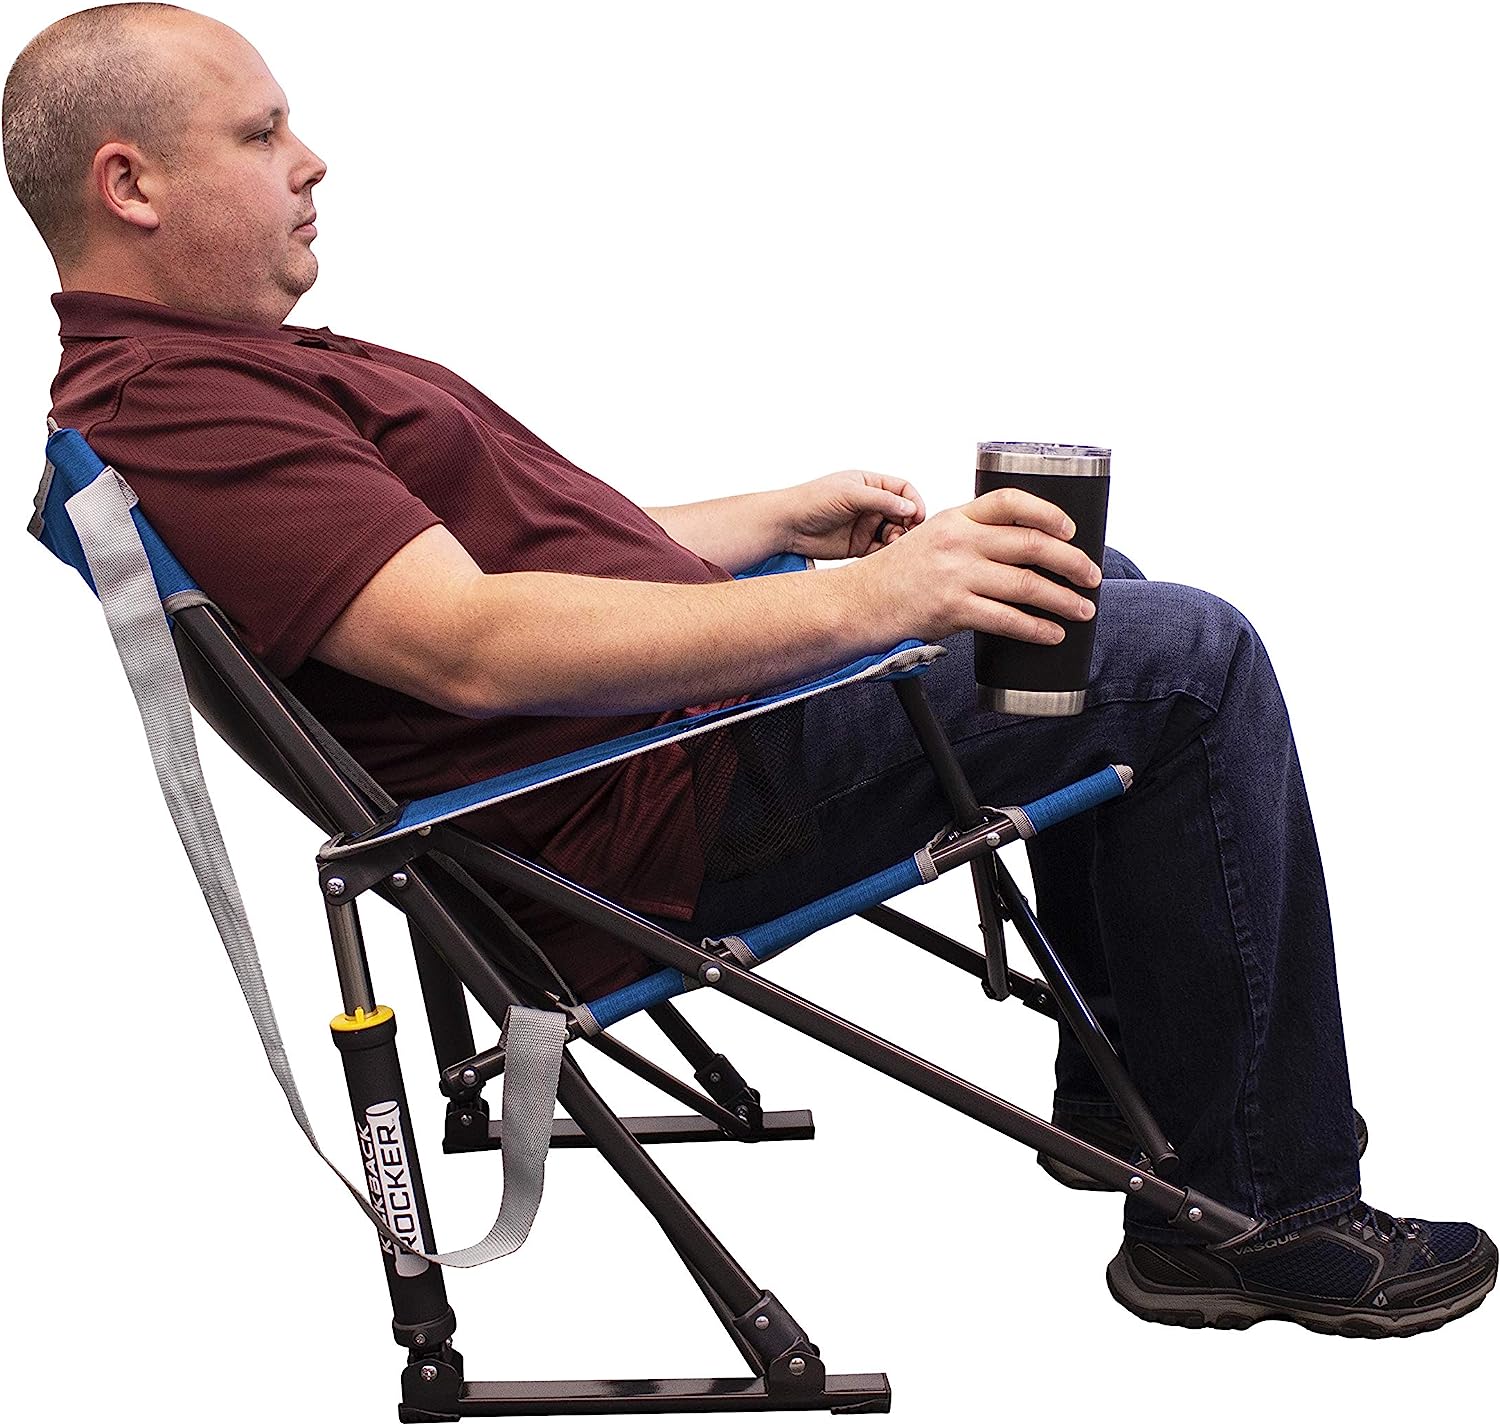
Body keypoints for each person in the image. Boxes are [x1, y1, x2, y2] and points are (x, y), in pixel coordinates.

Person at [5, 2, 1493, 1339]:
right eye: (261, 134)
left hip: (654, 741)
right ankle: (1259, 1210)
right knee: (1183, 660)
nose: (312, 159)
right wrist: (868, 604)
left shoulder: (225, 372)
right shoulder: (184, 407)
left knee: (1085, 600)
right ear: (130, 185)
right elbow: (468, 643)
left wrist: (774, 519)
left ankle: (1136, 1096)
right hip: (642, 806)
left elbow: (522, 565)